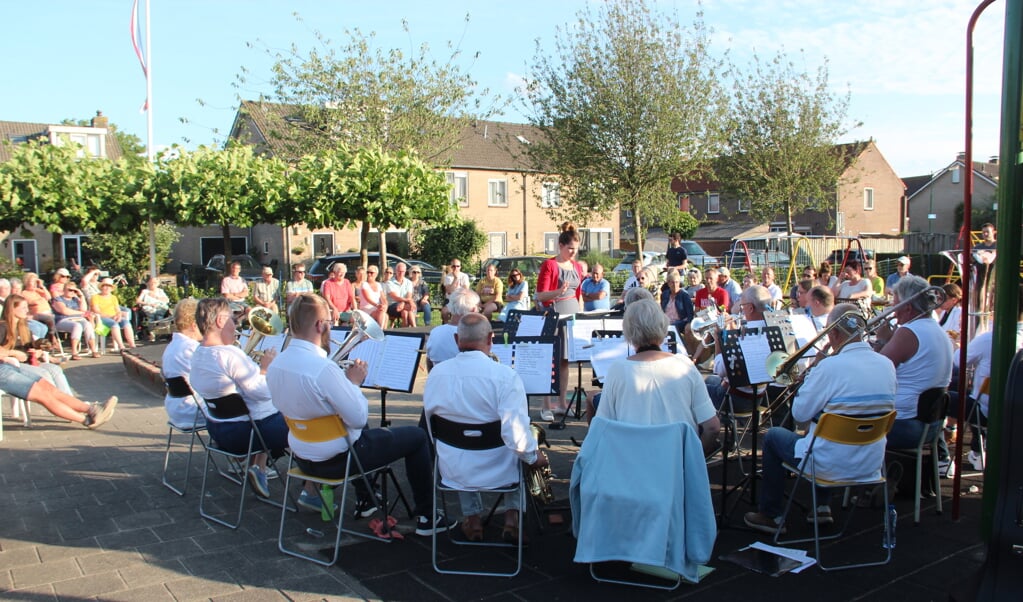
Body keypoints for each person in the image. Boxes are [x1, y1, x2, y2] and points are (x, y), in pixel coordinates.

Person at [268, 293, 457, 532]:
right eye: (329, 321)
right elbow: (358, 418)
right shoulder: (323, 369)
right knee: (417, 437)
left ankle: (367, 498)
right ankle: (428, 518)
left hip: (304, 460)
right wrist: (352, 383)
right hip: (338, 461)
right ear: (320, 325)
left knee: (352, 424)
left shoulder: (276, 364)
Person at [744, 304, 896, 534]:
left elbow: (799, 415)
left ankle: (770, 514)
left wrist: (812, 375)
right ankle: (822, 506)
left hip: (828, 465)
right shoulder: (887, 364)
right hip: (871, 463)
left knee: (774, 436)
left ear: (833, 333)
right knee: (823, 429)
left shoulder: (829, 366)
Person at [423, 312, 546, 542]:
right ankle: (512, 517)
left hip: (454, 470)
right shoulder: (506, 377)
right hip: (501, 470)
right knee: (521, 440)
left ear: (456, 339)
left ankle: (472, 519)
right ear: (491, 338)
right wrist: (534, 457)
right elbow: (516, 436)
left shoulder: (436, 374)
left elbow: (431, 429)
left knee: (461, 445)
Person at [189, 297, 288, 499]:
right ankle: (312, 488)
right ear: (219, 322)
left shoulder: (198, 353)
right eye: (233, 320)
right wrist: (265, 369)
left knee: (268, 410)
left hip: (218, 430)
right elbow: (262, 393)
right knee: (305, 418)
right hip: (245, 434)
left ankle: (258, 468)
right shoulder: (230, 354)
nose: (236, 326)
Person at [596, 299, 719, 454]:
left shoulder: (617, 370)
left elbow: (601, 428)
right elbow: (712, 427)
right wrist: (693, 460)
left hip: (631, 467)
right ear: (663, 326)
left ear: (628, 331)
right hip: (678, 468)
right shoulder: (685, 366)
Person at [877, 275, 953, 452]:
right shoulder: (938, 330)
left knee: (842, 426)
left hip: (905, 426)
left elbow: (876, 372)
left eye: (896, 306)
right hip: (931, 426)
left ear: (908, 308)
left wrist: (881, 341)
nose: (893, 312)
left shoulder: (909, 331)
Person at [535, 222, 584, 420]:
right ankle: (546, 405)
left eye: (576, 249)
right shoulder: (550, 265)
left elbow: (578, 292)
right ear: (561, 246)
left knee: (564, 361)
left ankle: (562, 403)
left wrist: (580, 312)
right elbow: (541, 295)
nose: (573, 252)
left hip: (571, 317)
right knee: (551, 360)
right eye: (570, 248)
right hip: (553, 316)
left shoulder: (577, 266)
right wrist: (559, 291)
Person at [706, 285, 773, 411]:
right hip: (759, 397)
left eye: (742, 307)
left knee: (695, 387)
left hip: (735, 400)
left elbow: (719, 370)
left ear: (751, 308)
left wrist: (718, 339)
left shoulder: (744, 338)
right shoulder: (772, 331)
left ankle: (708, 428)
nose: (741, 311)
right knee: (710, 379)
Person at [0, 361, 116, 429]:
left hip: (6, 365)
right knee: (43, 396)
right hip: (3, 373)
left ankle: (93, 410)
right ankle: (87, 421)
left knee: (51, 390)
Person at [0, 295, 74, 394]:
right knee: (44, 374)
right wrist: (13, 353)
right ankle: (58, 403)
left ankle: (69, 401)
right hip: (10, 367)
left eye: (27, 307)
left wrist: (37, 350)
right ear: (12, 309)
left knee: (55, 369)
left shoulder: (23, 327)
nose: (27, 310)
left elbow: (29, 347)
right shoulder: (3, 327)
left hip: (27, 362)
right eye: (23, 308)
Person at [161, 298, 206, 430]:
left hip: (175, 409)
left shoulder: (172, 346)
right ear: (194, 325)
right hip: (193, 411)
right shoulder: (192, 349)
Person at [425, 288, 479, 367]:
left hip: (439, 377)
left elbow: (429, 360)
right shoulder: (475, 335)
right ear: (473, 310)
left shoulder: (435, 332)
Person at [51, 282, 100, 359]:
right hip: (62, 320)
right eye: (70, 290)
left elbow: (83, 309)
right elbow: (65, 311)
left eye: (74, 290)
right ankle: (74, 352)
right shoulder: (58, 299)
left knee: (88, 325)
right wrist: (82, 313)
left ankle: (94, 350)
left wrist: (81, 295)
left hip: (78, 319)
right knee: (77, 326)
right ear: (64, 290)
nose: (72, 292)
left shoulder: (76, 299)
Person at [91, 278, 136, 351]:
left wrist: (118, 315)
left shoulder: (113, 297)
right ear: (101, 287)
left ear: (111, 288)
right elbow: (96, 311)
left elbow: (118, 309)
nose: (106, 288)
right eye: (104, 286)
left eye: (109, 286)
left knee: (127, 323)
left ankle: (132, 345)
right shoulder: (95, 297)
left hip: (114, 316)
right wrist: (111, 316)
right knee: (114, 324)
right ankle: (121, 346)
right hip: (102, 318)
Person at [660, 270, 695, 335]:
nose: (675, 285)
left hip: (680, 321)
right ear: (668, 283)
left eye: (677, 282)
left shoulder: (684, 295)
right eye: (672, 282)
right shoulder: (665, 294)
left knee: (670, 327)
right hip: (666, 321)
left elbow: (690, 313)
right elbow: (662, 310)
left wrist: (689, 323)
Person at [385, 263, 417, 327]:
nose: (401, 273)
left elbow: (409, 295)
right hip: (392, 306)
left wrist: (403, 302)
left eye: (402, 271)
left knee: (405, 312)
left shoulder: (408, 282)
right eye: (399, 271)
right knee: (410, 308)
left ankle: (408, 331)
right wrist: (407, 301)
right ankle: (415, 329)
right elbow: (395, 297)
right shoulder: (389, 282)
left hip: (404, 306)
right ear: (396, 271)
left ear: (405, 271)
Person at [440, 258, 471, 323]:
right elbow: (448, 291)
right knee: (444, 312)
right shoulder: (448, 277)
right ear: (451, 267)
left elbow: (466, 290)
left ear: (460, 267)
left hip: (461, 300)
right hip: (450, 300)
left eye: (457, 266)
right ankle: (446, 326)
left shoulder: (464, 276)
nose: (455, 268)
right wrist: (455, 279)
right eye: (453, 266)